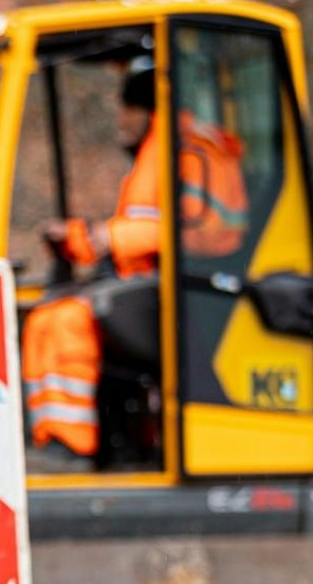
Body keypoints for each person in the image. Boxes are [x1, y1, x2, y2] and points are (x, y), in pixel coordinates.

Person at [22, 58, 248, 471]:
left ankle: (72, 446)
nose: (120, 121)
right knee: (43, 318)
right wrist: (77, 238)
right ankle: (52, 438)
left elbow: (205, 232)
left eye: (125, 110)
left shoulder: (193, 151)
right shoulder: (156, 153)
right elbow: (135, 229)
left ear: (147, 109)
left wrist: (111, 237)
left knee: (69, 320)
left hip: (190, 291)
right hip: (146, 282)